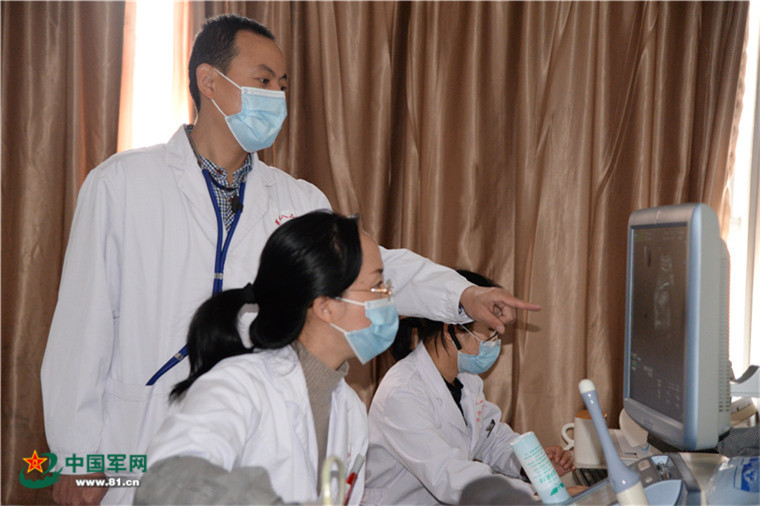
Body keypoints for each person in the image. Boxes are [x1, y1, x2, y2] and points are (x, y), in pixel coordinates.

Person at [40, 14, 539, 505]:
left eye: (282, 85)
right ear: (209, 81)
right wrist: (76, 456)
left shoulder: (296, 199)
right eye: (263, 81)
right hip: (136, 439)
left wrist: (462, 294)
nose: (277, 97)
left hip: (259, 446)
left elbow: (370, 269)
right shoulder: (122, 184)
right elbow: (82, 327)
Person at [137, 210, 389, 504]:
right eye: (377, 286)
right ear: (325, 307)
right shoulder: (238, 387)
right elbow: (168, 483)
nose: (387, 296)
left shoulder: (350, 411)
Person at [362, 270, 571, 505]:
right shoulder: (402, 392)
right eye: (490, 330)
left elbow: (491, 438)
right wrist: (538, 494)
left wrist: (531, 464)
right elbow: (449, 475)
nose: (495, 342)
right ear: (453, 330)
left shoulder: (466, 380)